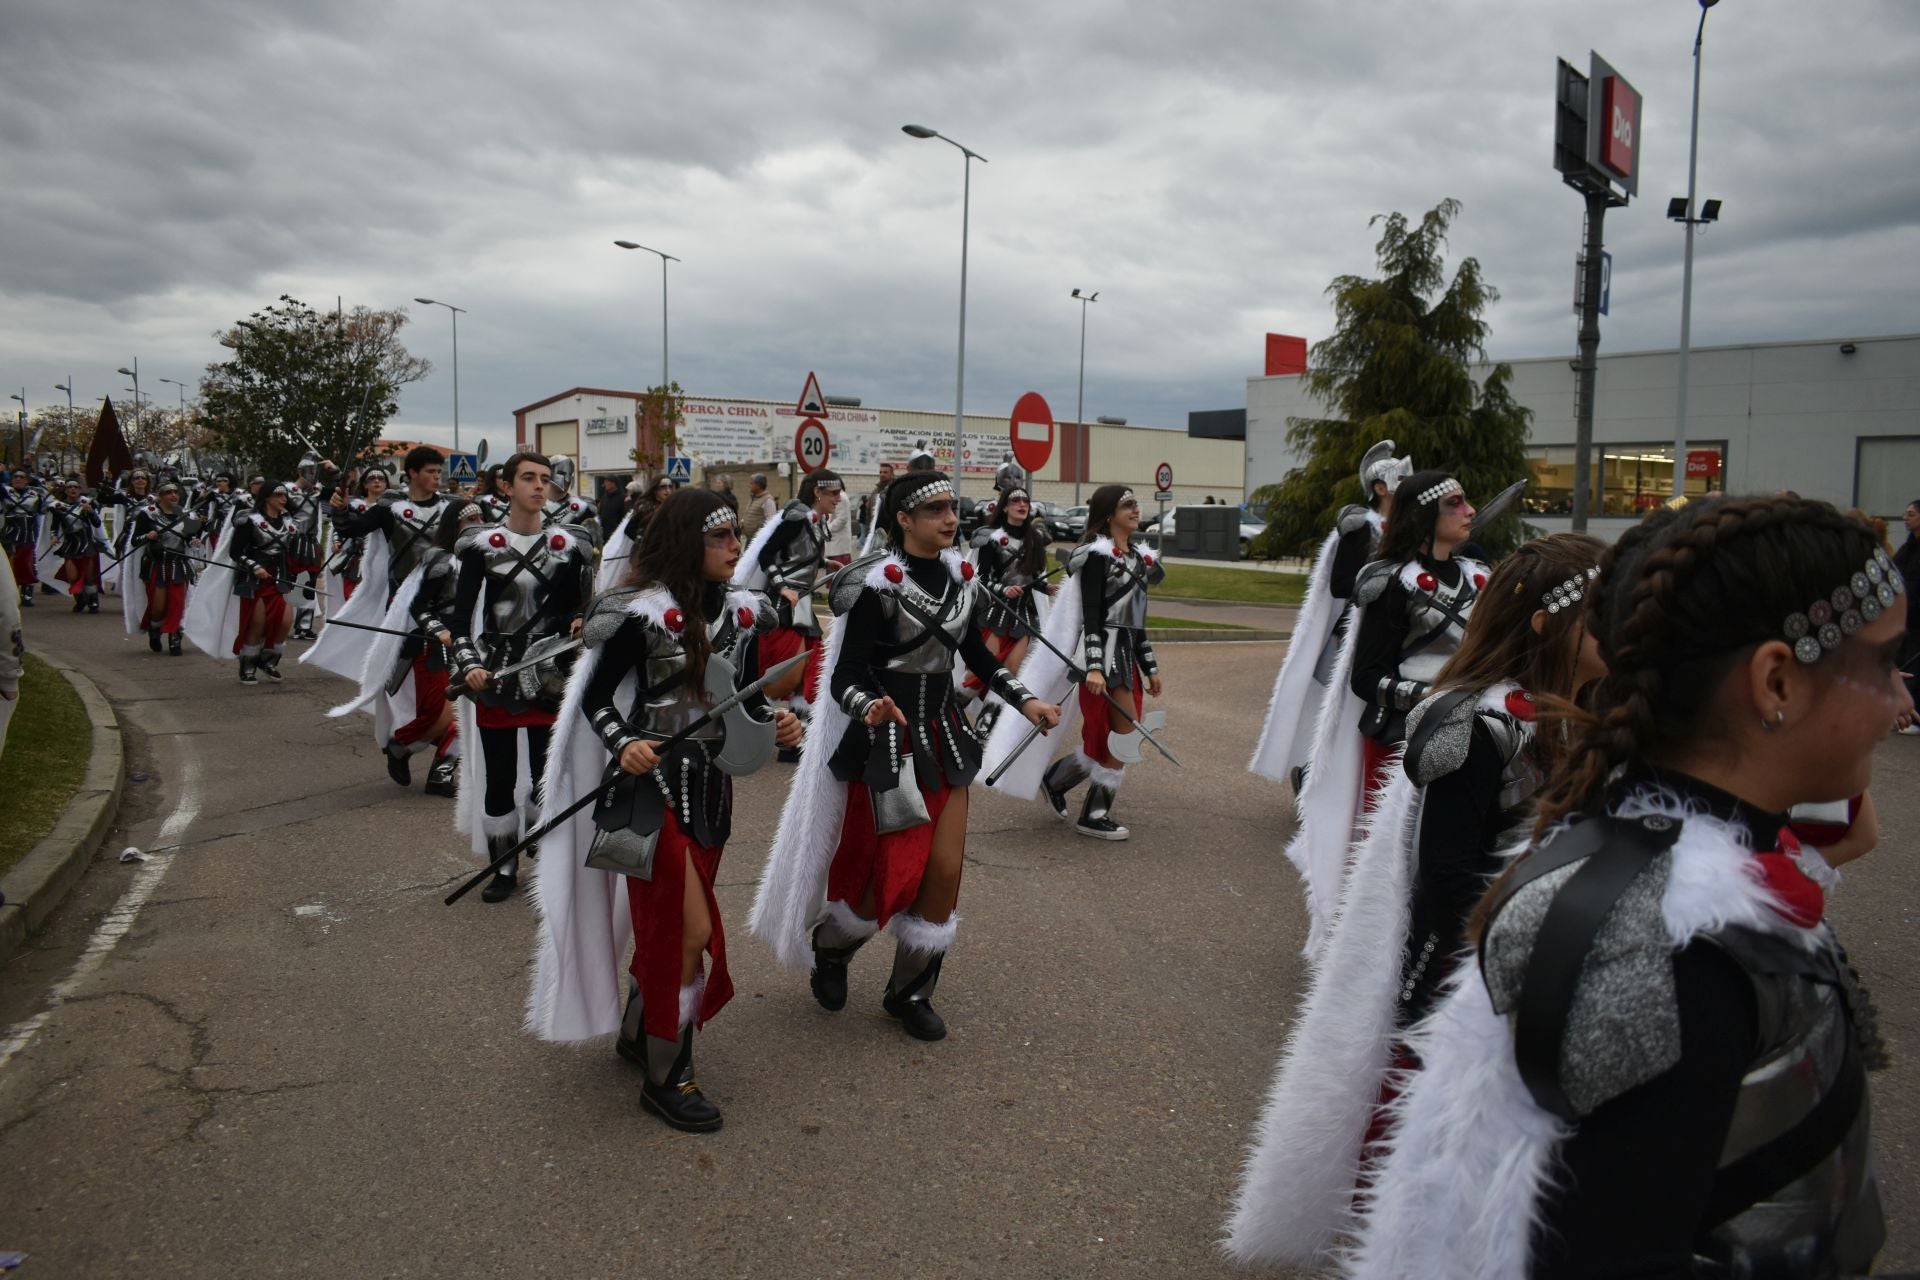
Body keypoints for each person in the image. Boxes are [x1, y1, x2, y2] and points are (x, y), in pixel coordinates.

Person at [1347, 495, 1896, 1279]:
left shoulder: (1679, 877)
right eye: (1883, 663)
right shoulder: (1667, 950)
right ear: (1775, 679)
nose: (1904, 699)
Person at [1224, 532, 1606, 1267]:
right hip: (1465, 975)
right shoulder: (1477, 722)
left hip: (1545, 965)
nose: (1614, 630)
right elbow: (1446, 888)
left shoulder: (1585, 713)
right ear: (1545, 623)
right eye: (1597, 612)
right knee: (1416, 1143)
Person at [750, 470, 1060, 1041]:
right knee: (893, 874)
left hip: (944, 736)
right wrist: (868, 705)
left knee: (943, 872)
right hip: (888, 744)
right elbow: (845, 672)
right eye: (937, 509)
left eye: (953, 509)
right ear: (903, 520)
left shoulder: (960, 582)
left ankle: (910, 991)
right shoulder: (875, 586)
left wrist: (1027, 699)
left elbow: (979, 660)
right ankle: (833, 945)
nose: (950, 518)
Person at [528, 488, 801, 1131]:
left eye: (737, 534)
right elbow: (596, 699)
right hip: (648, 796)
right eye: (721, 537)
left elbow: (747, 702)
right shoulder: (639, 615)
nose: (737, 546)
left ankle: (638, 1029)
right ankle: (665, 1077)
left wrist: (778, 723)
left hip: (712, 793)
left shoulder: (741, 615)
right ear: (685, 543)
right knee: (690, 933)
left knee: (669, 933)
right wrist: (624, 743)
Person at [1286, 468, 1488, 950]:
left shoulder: (1479, 576)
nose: (1471, 511)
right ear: (1425, 515)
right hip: (1402, 738)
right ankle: (1374, 954)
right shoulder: (1387, 582)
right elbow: (1366, 677)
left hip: (1471, 732)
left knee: (1456, 853)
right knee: (1394, 855)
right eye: (1456, 504)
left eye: (1467, 503)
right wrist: (1431, 698)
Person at [448, 451, 592, 902]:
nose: (538, 486)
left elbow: (579, 607)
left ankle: (547, 863)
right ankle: (504, 868)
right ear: (507, 487)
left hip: (548, 673)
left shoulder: (567, 547)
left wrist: (580, 622)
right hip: (497, 675)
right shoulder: (481, 546)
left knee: (546, 775)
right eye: (528, 478)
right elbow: (459, 621)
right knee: (500, 777)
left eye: (545, 479)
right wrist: (470, 665)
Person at [985, 484, 1167, 841]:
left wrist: (1150, 666)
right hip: (1099, 656)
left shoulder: (1139, 560)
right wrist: (1095, 666)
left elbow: (1137, 622)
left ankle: (1057, 780)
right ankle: (1095, 814)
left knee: (1119, 735)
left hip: (1126, 656)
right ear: (1108, 514)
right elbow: (1093, 618)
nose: (1135, 509)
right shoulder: (1097, 557)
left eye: (1135, 504)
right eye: (1126, 504)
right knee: (1124, 735)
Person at [1249, 440, 1410, 794]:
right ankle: (1314, 779)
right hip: (1353, 637)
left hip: (1394, 637)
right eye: (1400, 480)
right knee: (1342, 715)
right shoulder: (1360, 529)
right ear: (1380, 487)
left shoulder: (1407, 532)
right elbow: (1341, 586)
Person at [326, 496, 484, 799]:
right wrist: (441, 631)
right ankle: (401, 745)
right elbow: (418, 606)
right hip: (433, 647)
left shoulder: (487, 559)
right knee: (440, 715)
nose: (478, 525)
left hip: (474, 648)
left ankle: (440, 773)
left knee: (470, 713)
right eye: (470, 520)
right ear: (455, 524)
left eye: (480, 519)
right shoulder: (437, 560)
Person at [736, 468, 842, 758]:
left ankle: (794, 742)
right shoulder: (796, 518)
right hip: (785, 605)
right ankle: (750, 724)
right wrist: (783, 588)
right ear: (818, 492)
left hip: (803, 603)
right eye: (833, 493)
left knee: (810, 669)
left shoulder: (814, 521)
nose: (838, 499)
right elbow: (767, 555)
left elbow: (800, 557)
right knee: (783, 671)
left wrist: (827, 563)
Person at [964, 485, 1052, 738]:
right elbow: (980, 579)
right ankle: (948, 716)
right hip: (996, 612)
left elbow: (1033, 578)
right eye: (1015, 501)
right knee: (981, 671)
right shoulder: (991, 538)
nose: (1022, 504)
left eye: (1025, 500)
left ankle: (983, 730)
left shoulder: (1035, 538)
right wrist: (1003, 589)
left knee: (1011, 673)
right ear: (1004, 507)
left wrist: (1047, 588)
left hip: (1023, 615)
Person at [122, 480, 202, 655]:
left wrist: (194, 540)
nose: (173, 495)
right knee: (158, 607)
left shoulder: (186, 515)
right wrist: (147, 536)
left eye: (176, 492)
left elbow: (190, 536)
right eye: (168, 492)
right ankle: (155, 630)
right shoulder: (148, 514)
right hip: (157, 565)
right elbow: (136, 540)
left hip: (179, 565)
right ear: (161, 496)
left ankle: (175, 639)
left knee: (177, 603)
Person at [283, 452, 338, 640]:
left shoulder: (318, 491)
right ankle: (278, 621)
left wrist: (334, 471)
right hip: (291, 542)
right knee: (286, 582)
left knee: (309, 585)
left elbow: (342, 490)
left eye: (315, 471)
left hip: (311, 542)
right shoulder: (286, 491)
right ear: (299, 471)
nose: (312, 474)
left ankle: (304, 626)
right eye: (308, 471)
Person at [45, 480, 107, 613]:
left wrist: (90, 512)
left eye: (76, 487)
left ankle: (93, 600)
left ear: (80, 490)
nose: (73, 489)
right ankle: (80, 599)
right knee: (72, 576)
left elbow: (96, 523)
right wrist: (53, 536)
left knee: (90, 577)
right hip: (70, 544)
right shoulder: (58, 507)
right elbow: (54, 526)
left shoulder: (86, 504)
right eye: (70, 487)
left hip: (87, 543)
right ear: (65, 490)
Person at [1, 469, 47, 608]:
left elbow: (45, 508)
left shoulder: (35, 494)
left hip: (28, 534)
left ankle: (27, 592)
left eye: (21, 477)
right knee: (9, 565)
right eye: (15, 476)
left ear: (26, 480)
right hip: (9, 534)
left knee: (27, 564)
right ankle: (9, 593)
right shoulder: (6, 491)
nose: (18, 479)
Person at [742, 472, 778, 543]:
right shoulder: (754, 498)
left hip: (759, 540)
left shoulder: (768, 500)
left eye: (751, 483)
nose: (749, 486)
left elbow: (771, 520)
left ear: (758, 485)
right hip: (750, 538)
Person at [596, 474, 627, 540]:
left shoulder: (622, 498)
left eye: (606, 482)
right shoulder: (604, 497)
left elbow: (625, 516)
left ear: (613, 484)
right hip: (603, 534)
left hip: (616, 535)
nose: (604, 485)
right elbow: (599, 513)